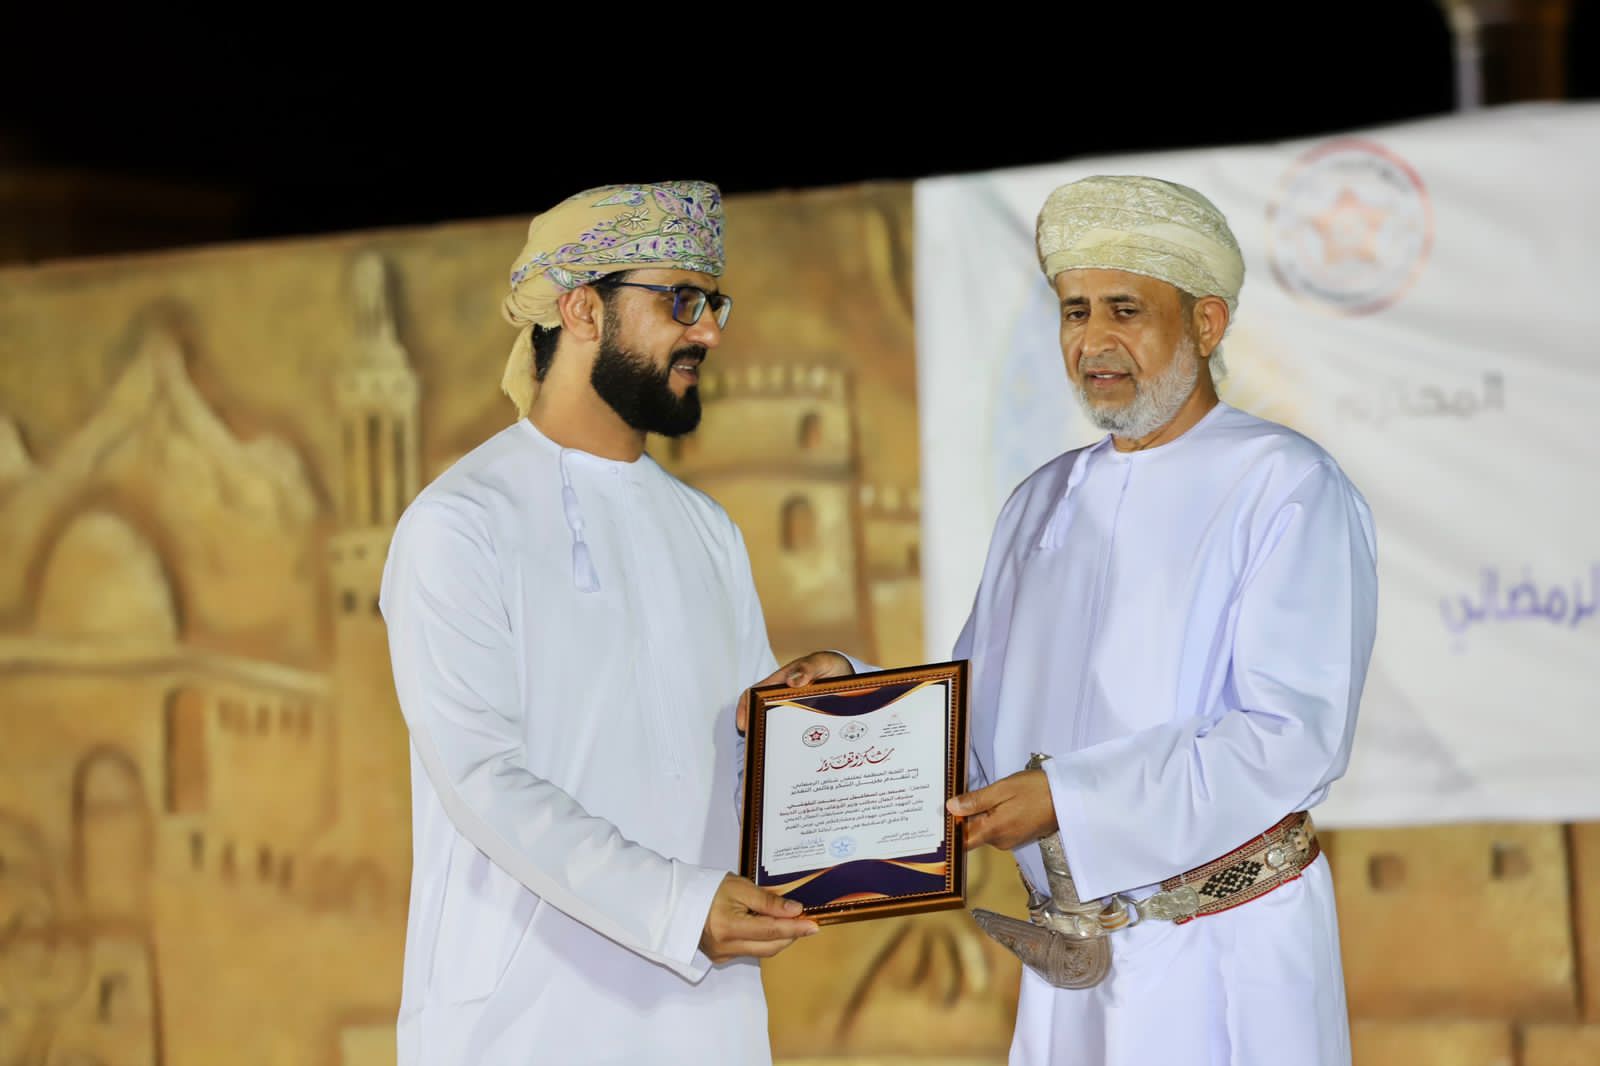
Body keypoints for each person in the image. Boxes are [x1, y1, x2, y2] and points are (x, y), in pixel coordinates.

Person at [783, 174, 1378, 1065]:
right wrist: (852, 706)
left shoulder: (1286, 484)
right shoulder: (1042, 500)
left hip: (1227, 954)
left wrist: (1067, 800)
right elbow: (978, 728)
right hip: (1073, 970)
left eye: (1124, 310)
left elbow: (1290, 738)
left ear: (1206, 323)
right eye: (1074, 311)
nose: (1093, 341)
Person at [379, 180, 817, 1066]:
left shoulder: (706, 530)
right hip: (522, 1026)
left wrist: (821, 706)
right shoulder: (460, 523)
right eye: (681, 302)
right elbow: (482, 777)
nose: (709, 333)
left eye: (714, 304)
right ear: (583, 309)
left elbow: (743, 766)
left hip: (704, 1022)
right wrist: (676, 907)